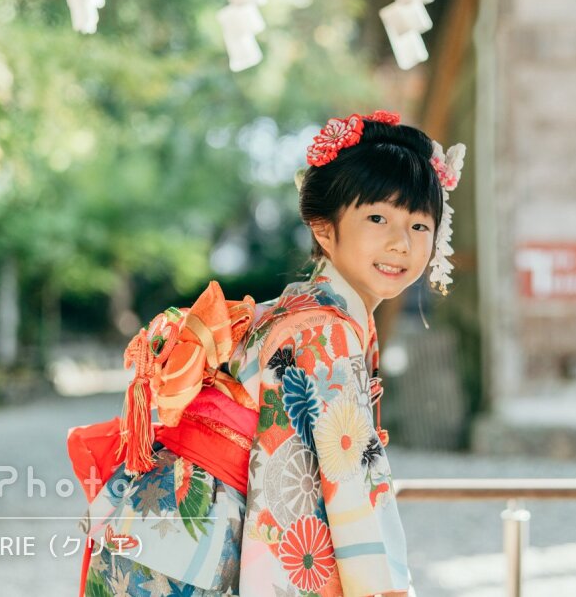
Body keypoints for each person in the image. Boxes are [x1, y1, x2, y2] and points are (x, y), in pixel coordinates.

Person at [67, 110, 465, 597]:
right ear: (324, 227)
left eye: (419, 225)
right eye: (377, 217)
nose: (400, 243)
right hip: (187, 556)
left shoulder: (295, 309)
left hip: (159, 534)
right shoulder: (324, 332)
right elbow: (342, 494)